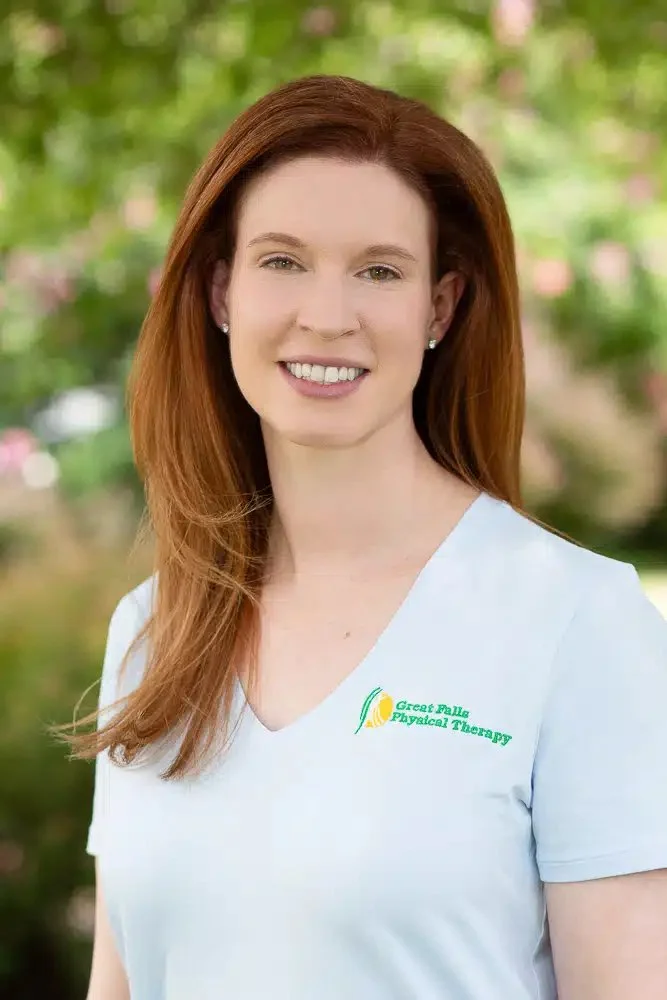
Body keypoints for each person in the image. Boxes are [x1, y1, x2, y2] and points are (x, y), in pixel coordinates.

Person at [61, 75, 667, 999]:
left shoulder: (578, 622)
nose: (328, 315)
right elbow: (124, 979)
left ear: (440, 308)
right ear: (221, 290)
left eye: (379, 270)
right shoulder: (152, 630)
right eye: (282, 261)